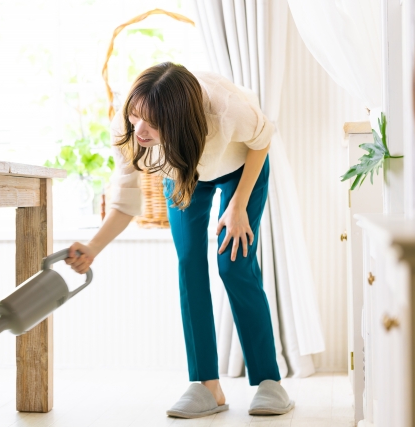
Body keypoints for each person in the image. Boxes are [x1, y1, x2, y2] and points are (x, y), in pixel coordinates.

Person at [65, 62, 294, 418]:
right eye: (136, 115)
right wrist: (92, 248)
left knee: (234, 265)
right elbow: (126, 201)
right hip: (182, 170)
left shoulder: (225, 108)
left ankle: (269, 382)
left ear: (177, 121)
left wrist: (238, 206)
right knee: (189, 262)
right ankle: (207, 386)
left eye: (151, 122)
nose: (139, 129)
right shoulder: (130, 128)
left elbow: (262, 140)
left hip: (240, 167)